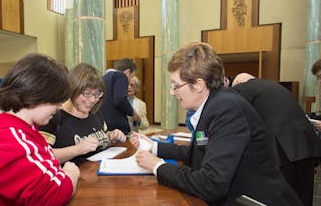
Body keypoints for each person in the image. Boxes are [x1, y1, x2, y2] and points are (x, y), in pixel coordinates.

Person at [129, 42, 303, 206]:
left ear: (198, 84)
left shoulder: (226, 109)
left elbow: (211, 184)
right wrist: (155, 147)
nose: (173, 92)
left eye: (176, 86)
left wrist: (158, 166)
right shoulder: (214, 105)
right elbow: (200, 150)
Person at [0, 53, 80, 206]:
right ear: (36, 96)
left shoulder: (20, 127)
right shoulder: (8, 139)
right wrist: (71, 172)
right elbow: (52, 194)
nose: (58, 107)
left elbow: (46, 161)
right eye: (56, 101)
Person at [231, 72, 321, 206]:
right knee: (303, 196)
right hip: (306, 146)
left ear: (238, 83)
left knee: (283, 199)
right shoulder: (274, 86)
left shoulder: (241, 89)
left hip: (284, 150)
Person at [40, 63, 126, 165]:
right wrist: (77, 149)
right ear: (73, 89)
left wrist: (111, 136)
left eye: (97, 94)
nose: (93, 100)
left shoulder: (95, 112)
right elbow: (42, 157)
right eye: (87, 93)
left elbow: (102, 136)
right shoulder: (53, 116)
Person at [99, 58, 140, 135]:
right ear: (127, 72)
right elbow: (119, 100)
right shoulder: (121, 75)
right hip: (118, 127)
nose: (129, 80)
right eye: (131, 77)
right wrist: (133, 112)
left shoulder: (103, 77)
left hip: (106, 124)